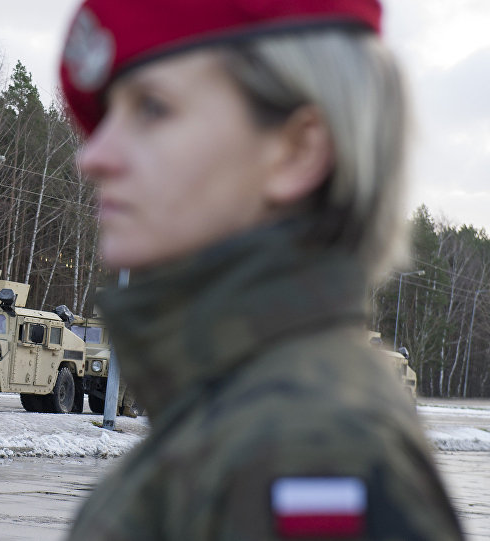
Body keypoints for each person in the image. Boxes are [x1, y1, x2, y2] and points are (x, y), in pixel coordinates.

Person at [59, 0, 463, 539]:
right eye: (108, 115)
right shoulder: (246, 417)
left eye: (152, 108)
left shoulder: (308, 450)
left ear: (298, 149)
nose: (95, 155)